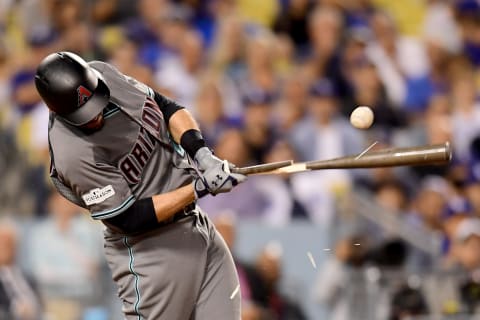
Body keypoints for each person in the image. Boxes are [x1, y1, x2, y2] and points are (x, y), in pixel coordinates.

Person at [34, 51, 247, 319]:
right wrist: (197, 189)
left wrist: (201, 152)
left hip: (198, 226)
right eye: (84, 114)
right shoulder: (71, 154)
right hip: (152, 253)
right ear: (56, 110)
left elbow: (164, 105)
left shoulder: (102, 75)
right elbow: (128, 217)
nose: (96, 114)